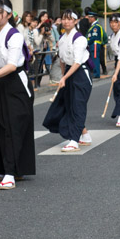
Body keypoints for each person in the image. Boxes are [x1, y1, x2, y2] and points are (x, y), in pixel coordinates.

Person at [0, 0, 36, 189]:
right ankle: (4, 166)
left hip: (16, 84)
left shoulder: (15, 35)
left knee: (12, 127)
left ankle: (11, 173)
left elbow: (12, 66)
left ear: (9, 14)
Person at [43, 9, 93, 152]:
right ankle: (85, 135)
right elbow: (62, 60)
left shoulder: (80, 39)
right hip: (70, 74)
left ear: (76, 21)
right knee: (69, 104)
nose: (66, 21)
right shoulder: (62, 38)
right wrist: (64, 77)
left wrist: (64, 77)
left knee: (78, 106)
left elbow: (77, 62)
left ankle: (74, 140)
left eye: (70, 19)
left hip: (81, 74)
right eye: (64, 18)